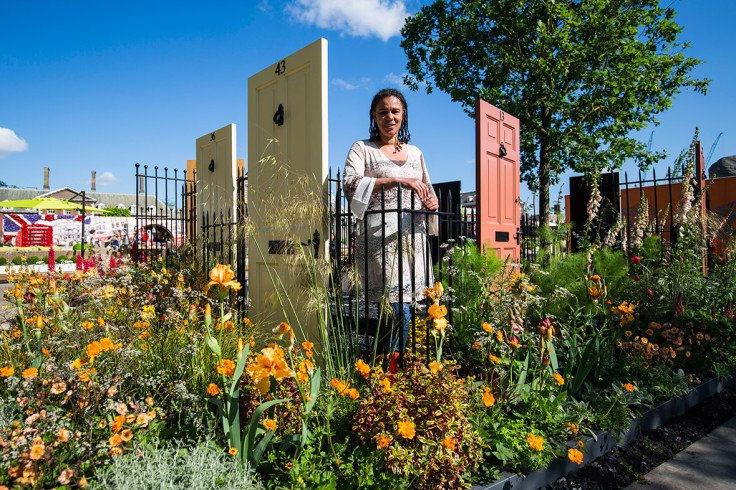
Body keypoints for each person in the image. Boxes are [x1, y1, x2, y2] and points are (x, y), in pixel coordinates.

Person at [343, 88, 439, 355]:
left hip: (413, 241)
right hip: (379, 241)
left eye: (395, 111)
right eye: (383, 111)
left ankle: (386, 366)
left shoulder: (416, 152)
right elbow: (350, 185)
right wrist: (396, 180)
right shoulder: (362, 149)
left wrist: (432, 203)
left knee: (407, 306)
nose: (389, 117)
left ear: (403, 115)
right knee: (395, 307)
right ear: (373, 115)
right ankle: (389, 367)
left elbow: (428, 193)